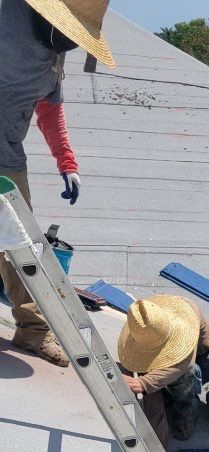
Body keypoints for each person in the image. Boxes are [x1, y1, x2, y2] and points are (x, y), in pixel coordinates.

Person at [0, 0, 115, 367]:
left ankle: (32, 332)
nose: (70, 40)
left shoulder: (53, 59)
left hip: (7, 161)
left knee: (23, 249)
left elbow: (50, 111)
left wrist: (67, 163)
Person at [117, 295, 209, 445]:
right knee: (187, 374)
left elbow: (184, 362)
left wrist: (144, 383)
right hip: (178, 369)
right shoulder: (141, 331)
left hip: (205, 355)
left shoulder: (186, 310)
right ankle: (187, 412)